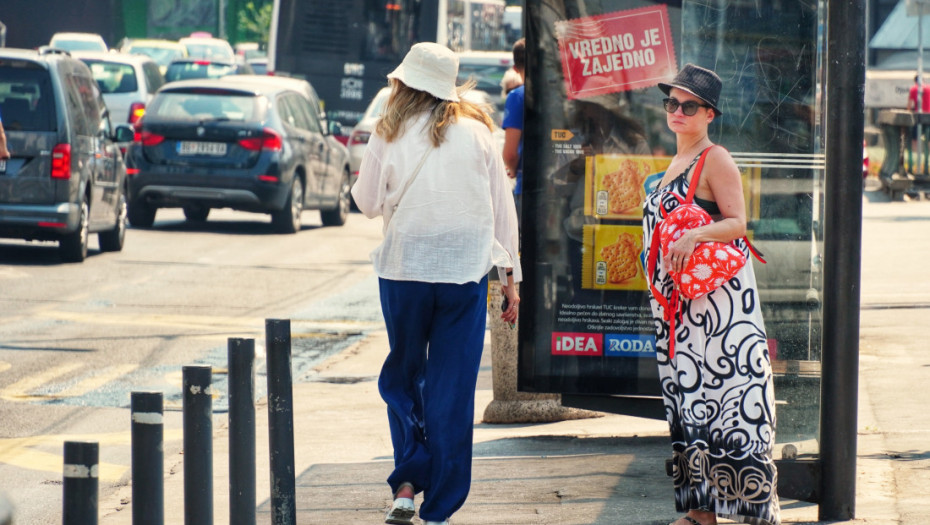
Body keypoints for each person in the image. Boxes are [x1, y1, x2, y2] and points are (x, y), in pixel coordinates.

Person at [351, 42, 521, 525]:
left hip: (404, 271)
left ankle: (406, 483)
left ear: (404, 83)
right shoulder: (479, 133)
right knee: (452, 387)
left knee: (404, 377)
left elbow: (365, 204)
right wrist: (512, 279)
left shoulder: (388, 132)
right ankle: (440, 508)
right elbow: (501, 213)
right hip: (465, 273)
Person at [642, 64, 780, 525]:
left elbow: (738, 222)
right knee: (689, 402)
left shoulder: (714, 157)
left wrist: (692, 239)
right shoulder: (675, 161)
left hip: (716, 309)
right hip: (679, 312)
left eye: (689, 105)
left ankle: (750, 510)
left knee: (730, 400)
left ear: (710, 113)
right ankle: (701, 512)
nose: (677, 111)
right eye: (671, 103)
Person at [501, 38, 525, 222]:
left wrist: (513, 168)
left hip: (528, 186)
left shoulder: (517, 97)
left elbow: (509, 153)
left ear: (515, 69)